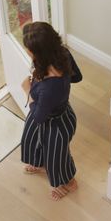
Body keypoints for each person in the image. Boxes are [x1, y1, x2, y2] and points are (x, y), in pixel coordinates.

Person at [20, 22, 82, 200]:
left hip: (56, 125)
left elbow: (39, 117)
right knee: (32, 140)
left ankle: (68, 182)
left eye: (28, 49)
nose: (26, 50)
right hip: (55, 110)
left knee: (57, 156)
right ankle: (40, 164)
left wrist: (27, 89)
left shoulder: (50, 88)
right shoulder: (62, 53)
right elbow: (77, 77)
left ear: (38, 53)